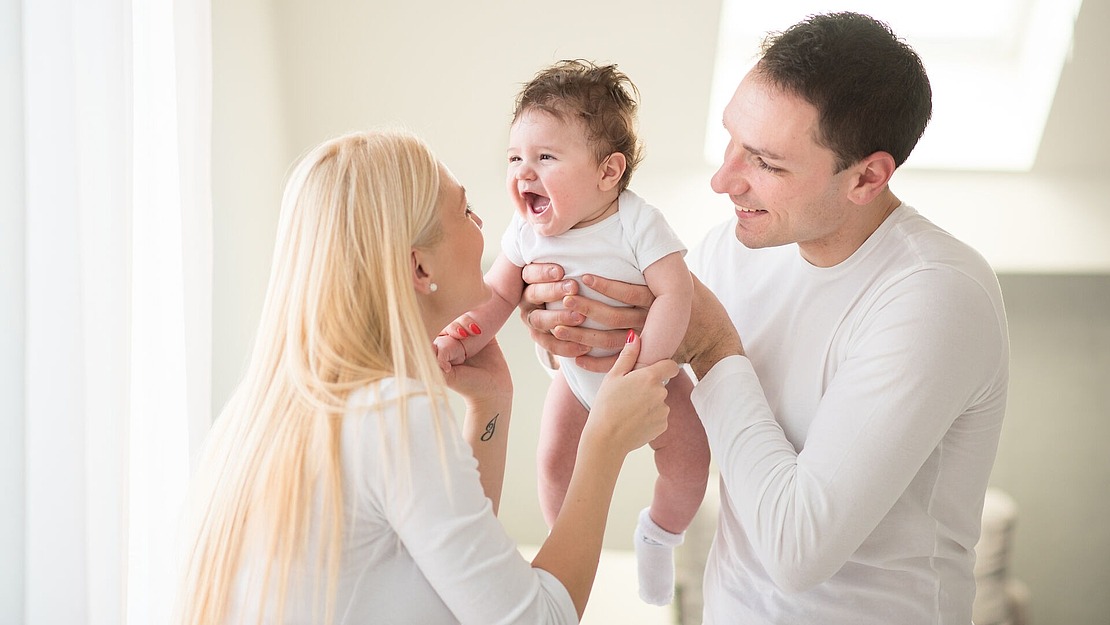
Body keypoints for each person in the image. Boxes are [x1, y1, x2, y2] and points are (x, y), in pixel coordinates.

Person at [517, 12, 1010, 625]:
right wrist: (560, 324)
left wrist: (715, 345)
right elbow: (647, 379)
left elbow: (796, 551)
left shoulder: (935, 296)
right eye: (730, 139)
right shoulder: (738, 248)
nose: (725, 180)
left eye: (766, 163)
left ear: (867, 177)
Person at [173, 129, 681, 625]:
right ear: (420, 269)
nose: (484, 224)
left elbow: (452, 583)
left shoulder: (262, 416)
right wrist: (604, 443)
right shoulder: (391, 414)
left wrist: (493, 406)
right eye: (464, 211)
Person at [432, 60, 710, 605]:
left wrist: (647, 371)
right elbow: (496, 295)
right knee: (554, 462)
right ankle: (569, 542)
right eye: (515, 157)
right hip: (576, 379)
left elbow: (678, 293)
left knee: (689, 463)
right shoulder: (524, 231)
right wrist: (463, 336)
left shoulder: (636, 222)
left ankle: (660, 534)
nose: (523, 172)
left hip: (647, 375)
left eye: (546, 157)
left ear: (608, 173)